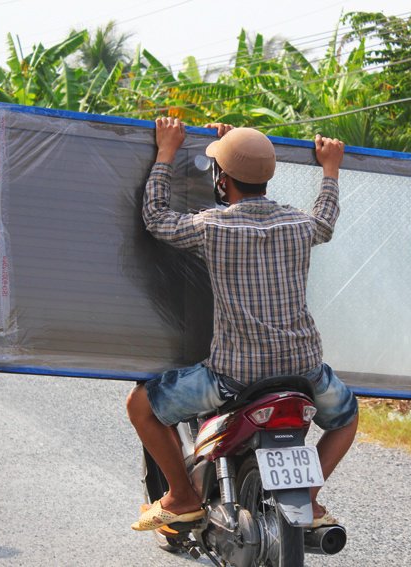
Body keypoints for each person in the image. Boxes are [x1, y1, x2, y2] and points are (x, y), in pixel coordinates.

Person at [126, 116, 358, 531]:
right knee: (347, 417)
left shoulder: (212, 227)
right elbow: (325, 218)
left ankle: (181, 497)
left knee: (140, 406)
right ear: (268, 178)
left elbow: (156, 218)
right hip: (304, 371)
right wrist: (330, 169)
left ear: (221, 180)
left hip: (235, 377)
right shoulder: (299, 225)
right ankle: (308, 498)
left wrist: (165, 152)